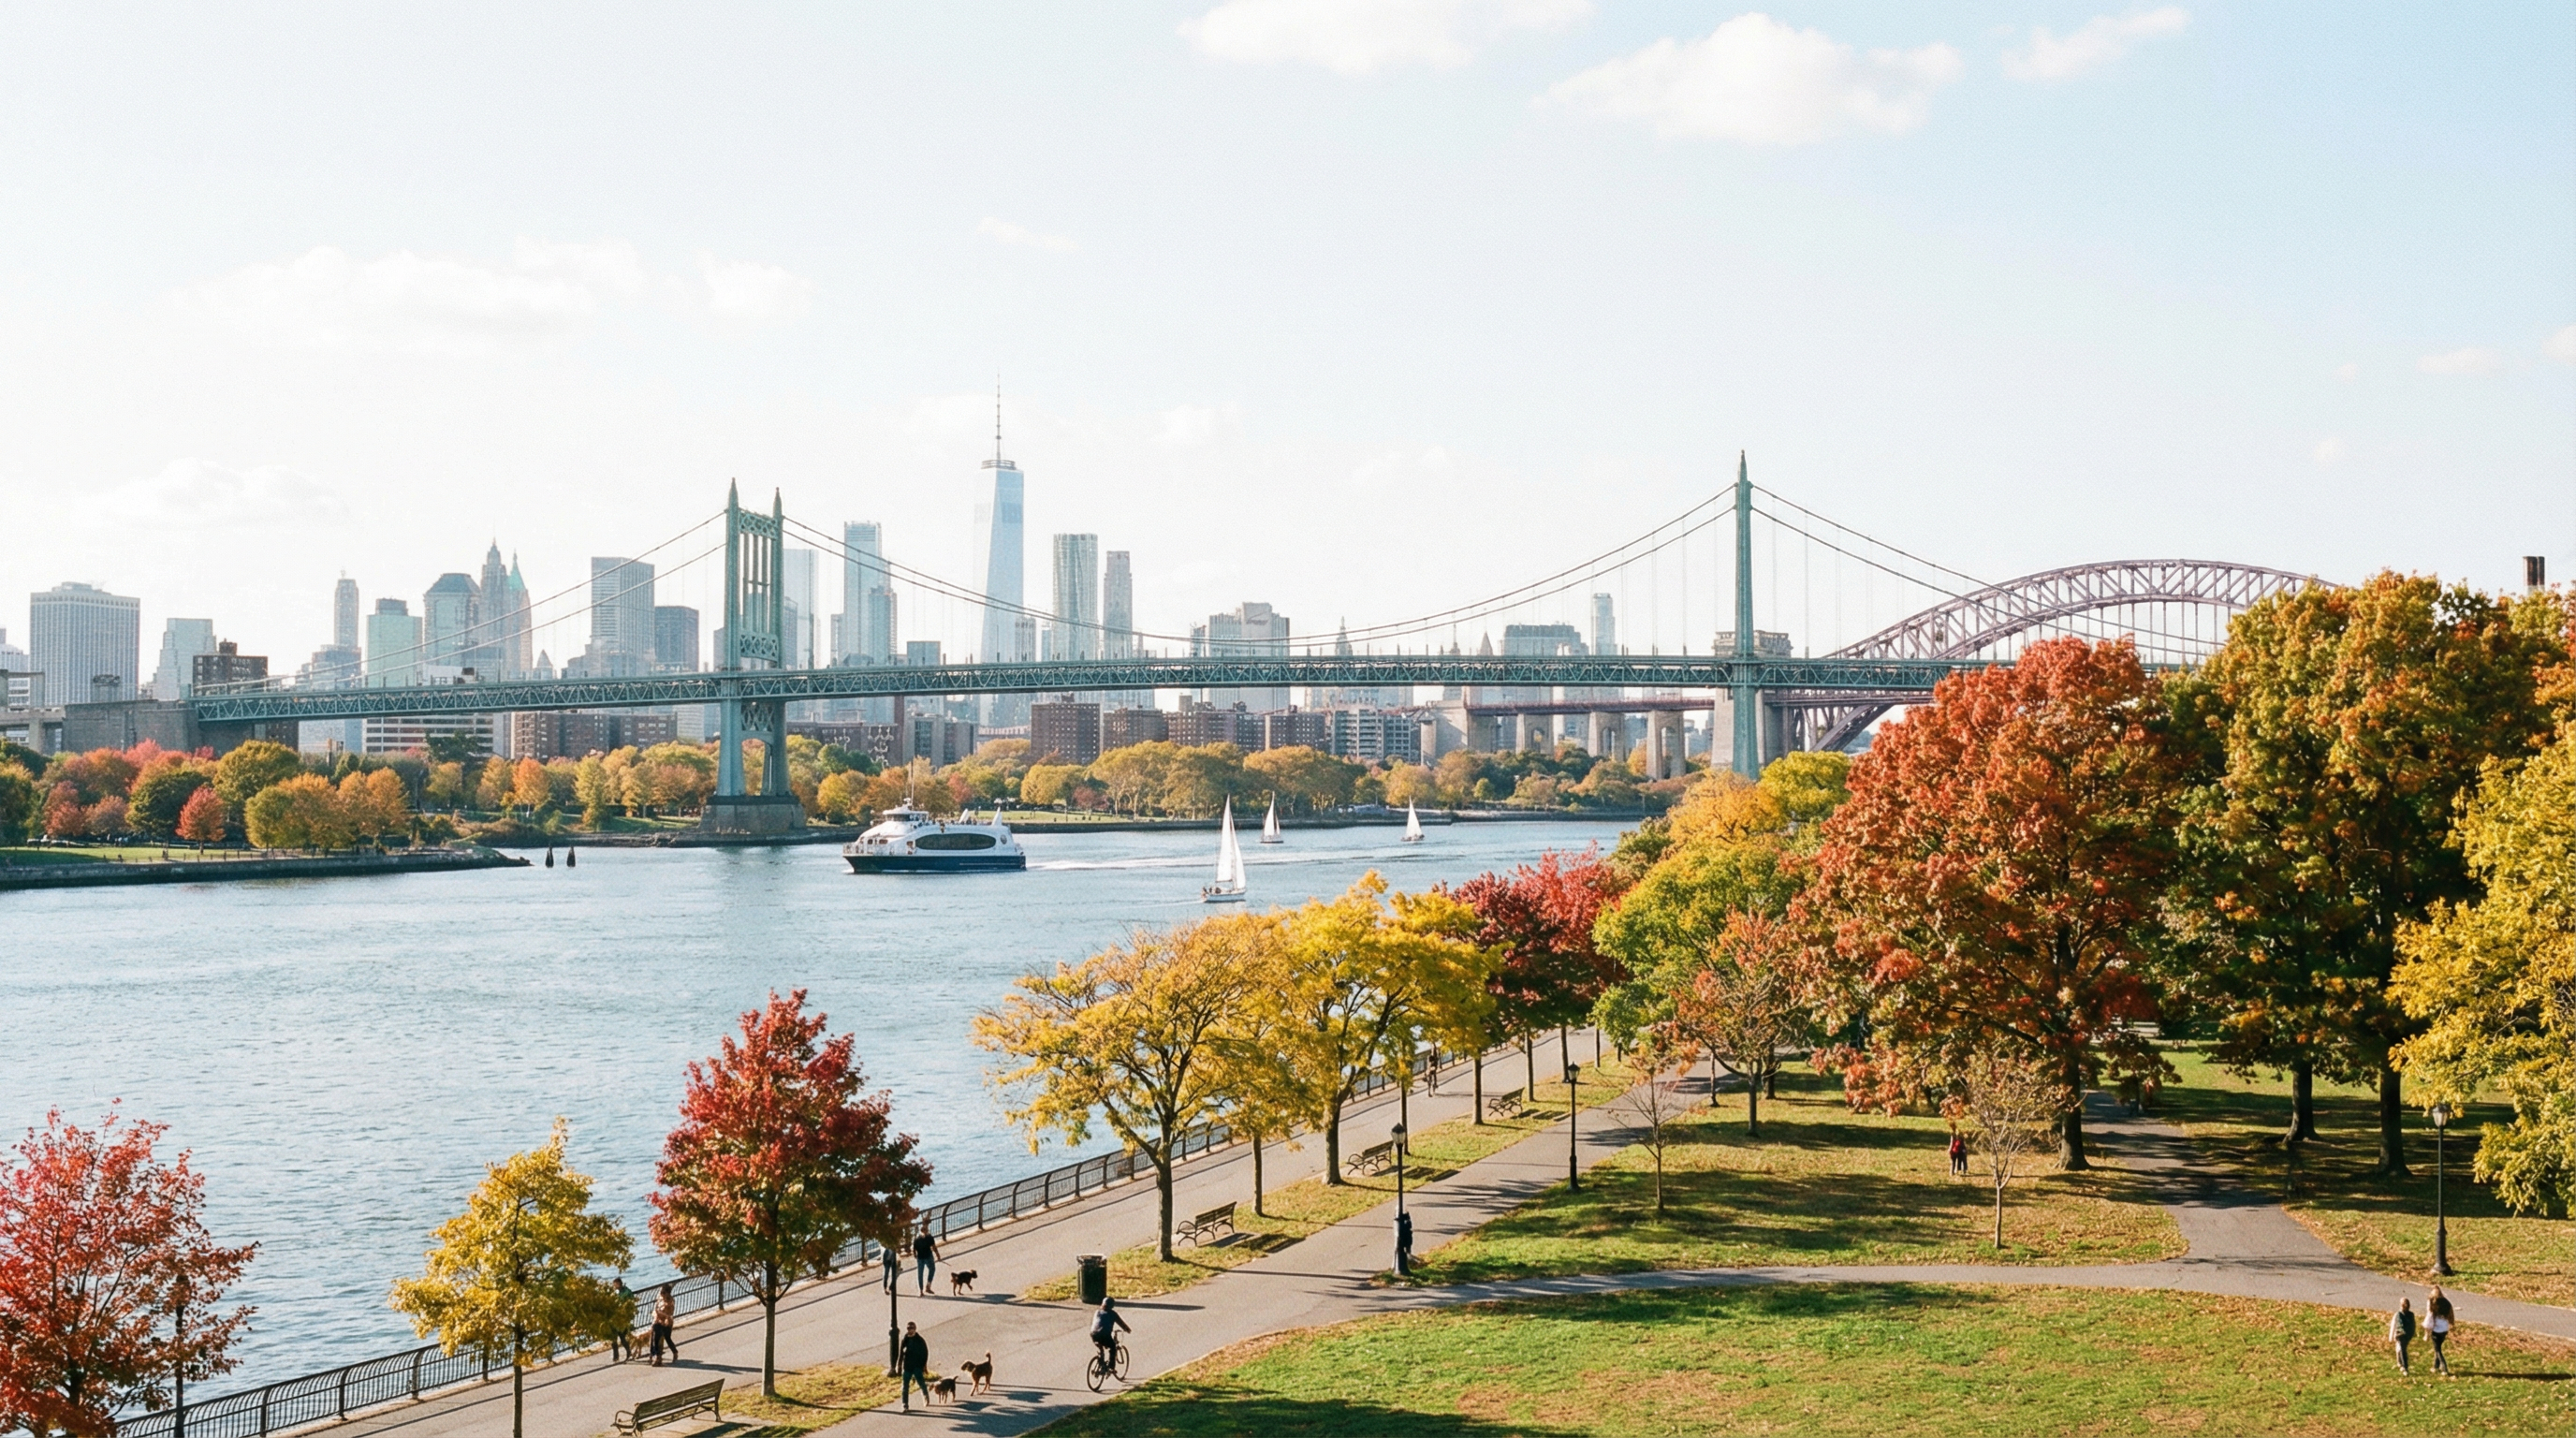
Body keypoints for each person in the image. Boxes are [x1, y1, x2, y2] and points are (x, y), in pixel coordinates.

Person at [899, 1322, 930, 1410]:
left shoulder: (919, 1340)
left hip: (917, 1366)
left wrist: (923, 1365)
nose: (910, 1330)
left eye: (911, 1328)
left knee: (921, 1383)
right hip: (907, 1366)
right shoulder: (905, 1340)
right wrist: (899, 1366)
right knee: (905, 1386)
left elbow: (925, 1353)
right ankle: (905, 1404)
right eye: (908, 1328)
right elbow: (901, 1353)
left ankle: (925, 1396)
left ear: (915, 1329)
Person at [1090, 1295, 1132, 1363]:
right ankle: (1111, 1367)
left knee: (1101, 1346)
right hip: (1104, 1335)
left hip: (1093, 1334)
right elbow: (1121, 1323)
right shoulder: (1113, 1314)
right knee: (1113, 1347)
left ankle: (1101, 1361)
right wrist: (1127, 1329)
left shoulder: (1097, 1312)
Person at [648, 1283, 678, 1366]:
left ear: (668, 1293)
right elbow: (655, 1309)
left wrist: (661, 1313)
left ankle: (674, 1352)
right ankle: (657, 1357)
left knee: (667, 1338)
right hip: (658, 1322)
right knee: (656, 1339)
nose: (661, 1294)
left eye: (663, 1292)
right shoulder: (660, 1299)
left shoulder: (670, 1301)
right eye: (661, 1292)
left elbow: (669, 1314)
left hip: (666, 1323)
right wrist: (656, 1315)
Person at [2427, 1286, 2454, 1375]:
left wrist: (2427, 1329)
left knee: (2438, 1349)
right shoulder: (2447, 1303)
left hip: (2436, 1330)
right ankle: (2435, 1366)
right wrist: (2452, 1323)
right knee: (2437, 1347)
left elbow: (2430, 1315)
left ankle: (2444, 1368)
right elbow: (2451, 1314)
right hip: (2444, 1329)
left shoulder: (2433, 1303)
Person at [609, 1276, 636, 1362]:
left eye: (615, 1284)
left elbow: (630, 1303)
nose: (614, 1286)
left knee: (622, 1337)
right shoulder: (618, 1293)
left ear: (619, 1283)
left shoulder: (626, 1292)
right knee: (614, 1338)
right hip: (616, 1319)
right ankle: (616, 1356)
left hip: (622, 1319)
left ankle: (628, 1352)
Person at [2388, 1298, 2415, 1374]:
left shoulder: (2407, 1315)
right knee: (2400, 1349)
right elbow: (2393, 1325)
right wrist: (2391, 1335)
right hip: (2401, 1335)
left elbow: (2412, 1325)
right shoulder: (2398, 1314)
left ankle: (2403, 1365)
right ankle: (2401, 1363)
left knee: (2401, 1349)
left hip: (2403, 1335)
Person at [914, 1229, 940, 1296]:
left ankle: (921, 1291)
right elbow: (934, 1247)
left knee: (920, 1274)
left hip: (920, 1258)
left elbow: (914, 1250)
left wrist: (916, 1256)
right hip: (928, 1257)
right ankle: (928, 1285)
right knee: (932, 1269)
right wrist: (937, 1254)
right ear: (926, 1231)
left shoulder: (916, 1239)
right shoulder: (929, 1237)